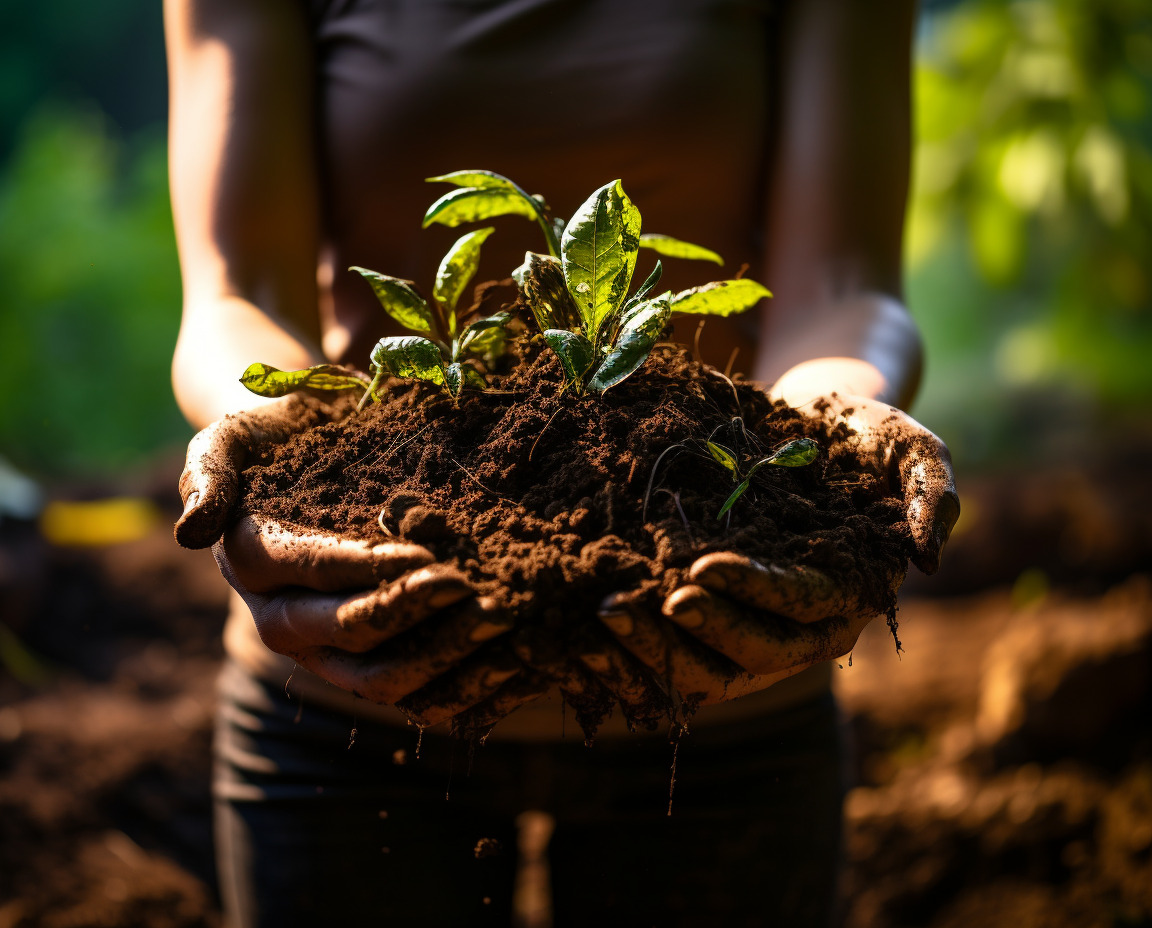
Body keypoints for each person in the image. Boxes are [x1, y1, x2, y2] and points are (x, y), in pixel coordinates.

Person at [165, 0, 960, 925]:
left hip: (719, 670)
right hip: (351, 687)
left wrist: (822, 418)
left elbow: (841, 287)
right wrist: (281, 424)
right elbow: (238, 291)